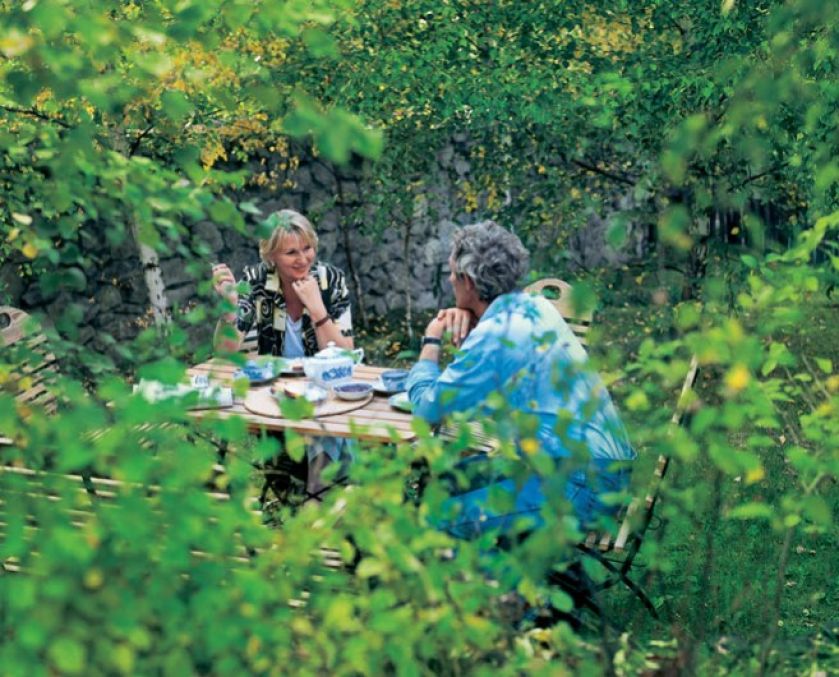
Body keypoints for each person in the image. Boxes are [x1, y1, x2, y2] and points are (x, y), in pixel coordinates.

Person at [406, 221, 635, 540]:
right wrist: (473, 320)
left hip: (581, 485)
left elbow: (428, 411)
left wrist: (431, 343)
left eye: (453, 273)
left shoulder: (496, 333)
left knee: (437, 518)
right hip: (596, 469)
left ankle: (494, 585)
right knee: (445, 480)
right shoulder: (535, 306)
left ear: (469, 282)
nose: (449, 280)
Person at [211, 209, 354, 500]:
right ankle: (322, 503)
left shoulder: (330, 281)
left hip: (324, 392)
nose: (303, 259)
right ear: (270, 254)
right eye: (291, 252)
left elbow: (346, 356)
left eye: (307, 248)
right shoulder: (255, 280)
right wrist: (229, 308)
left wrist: (317, 310)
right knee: (330, 429)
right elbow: (224, 353)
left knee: (325, 424)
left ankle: (315, 497)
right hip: (274, 397)